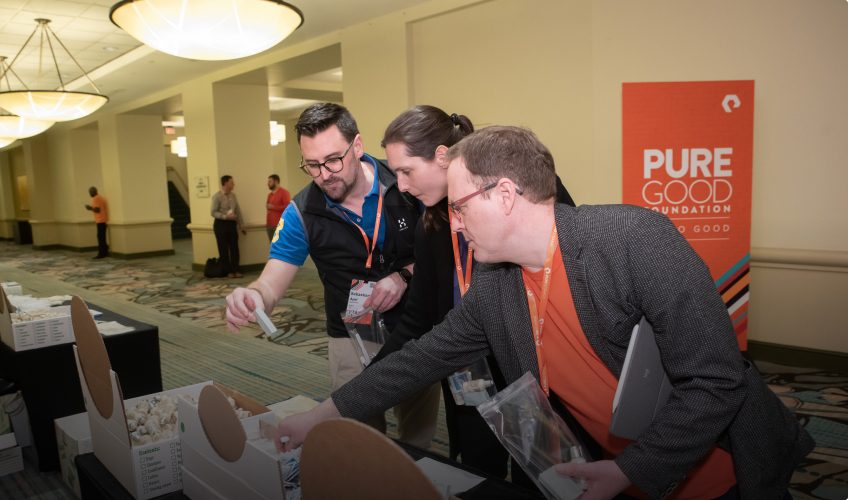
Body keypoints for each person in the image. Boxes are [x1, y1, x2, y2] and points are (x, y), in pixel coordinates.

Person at [276, 126, 814, 500]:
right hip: (612, 470)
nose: (454, 224)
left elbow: (716, 381)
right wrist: (323, 415)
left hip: (719, 471)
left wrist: (629, 470)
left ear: (505, 194)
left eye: (459, 207)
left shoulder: (632, 239)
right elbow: (420, 357)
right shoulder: (497, 282)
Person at [376, 105, 575, 482]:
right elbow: (419, 319)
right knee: (477, 475)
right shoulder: (431, 225)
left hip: (533, 375)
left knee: (546, 479)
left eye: (406, 171)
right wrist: (370, 381)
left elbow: (565, 270)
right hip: (470, 379)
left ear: (441, 157)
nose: (400, 185)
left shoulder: (521, 193)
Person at [224, 103, 440, 449]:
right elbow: (270, 283)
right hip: (350, 333)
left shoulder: (403, 182)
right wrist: (254, 295)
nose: (324, 174)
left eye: (333, 160)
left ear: (357, 146)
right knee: (358, 435)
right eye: (312, 165)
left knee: (418, 434)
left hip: (414, 324)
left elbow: (443, 254)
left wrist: (403, 276)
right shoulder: (302, 212)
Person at [211, 175, 246, 278]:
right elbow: (213, 212)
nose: (233, 184)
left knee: (234, 247)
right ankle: (228, 271)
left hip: (232, 224)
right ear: (225, 183)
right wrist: (225, 217)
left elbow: (238, 210)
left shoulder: (233, 196)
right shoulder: (217, 196)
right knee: (223, 249)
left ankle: (236, 269)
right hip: (220, 224)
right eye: (231, 182)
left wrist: (241, 224)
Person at [84, 186, 108, 259]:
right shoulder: (100, 197)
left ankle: (101, 254)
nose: (90, 194)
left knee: (100, 238)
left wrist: (89, 208)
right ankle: (105, 252)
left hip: (100, 220)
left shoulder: (96, 198)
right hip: (103, 220)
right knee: (102, 237)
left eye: (90, 192)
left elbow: (97, 210)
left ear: (94, 192)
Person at [265, 174, 290, 241]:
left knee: (281, 246)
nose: (268, 183)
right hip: (269, 226)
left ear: (276, 182)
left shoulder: (284, 192)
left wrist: (274, 207)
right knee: (272, 246)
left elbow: (288, 208)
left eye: (270, 181)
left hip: (279, 226)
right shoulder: (270, 195)